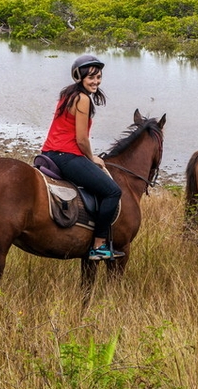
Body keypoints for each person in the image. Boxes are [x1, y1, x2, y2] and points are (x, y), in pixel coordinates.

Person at [41, 54, 124, 261]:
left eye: (98, 77)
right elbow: (81, 138)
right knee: (112, 191)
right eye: (91, 78)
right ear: (80, 78)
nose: (95, 81)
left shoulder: (67, 94)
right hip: (67, 155)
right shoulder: (83, 98)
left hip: (49, 152)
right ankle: (98, 245)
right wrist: (91, 157)